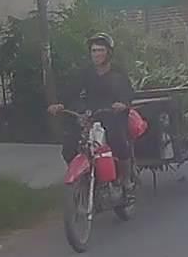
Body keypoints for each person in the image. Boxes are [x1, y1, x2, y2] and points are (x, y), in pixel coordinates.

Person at [47, 33, 136, 199]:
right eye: (94, 50)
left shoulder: (118, 72)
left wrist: (122, 104)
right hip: (91, 114)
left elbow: (128, 92)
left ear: (109, 52)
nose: (97, 54)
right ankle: (83, 177)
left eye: (101, 50)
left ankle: (126, 179)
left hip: (112, 113)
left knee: (118, 140)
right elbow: (72, 89)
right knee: (70, 145)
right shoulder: (86, 72)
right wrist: (60, 104)